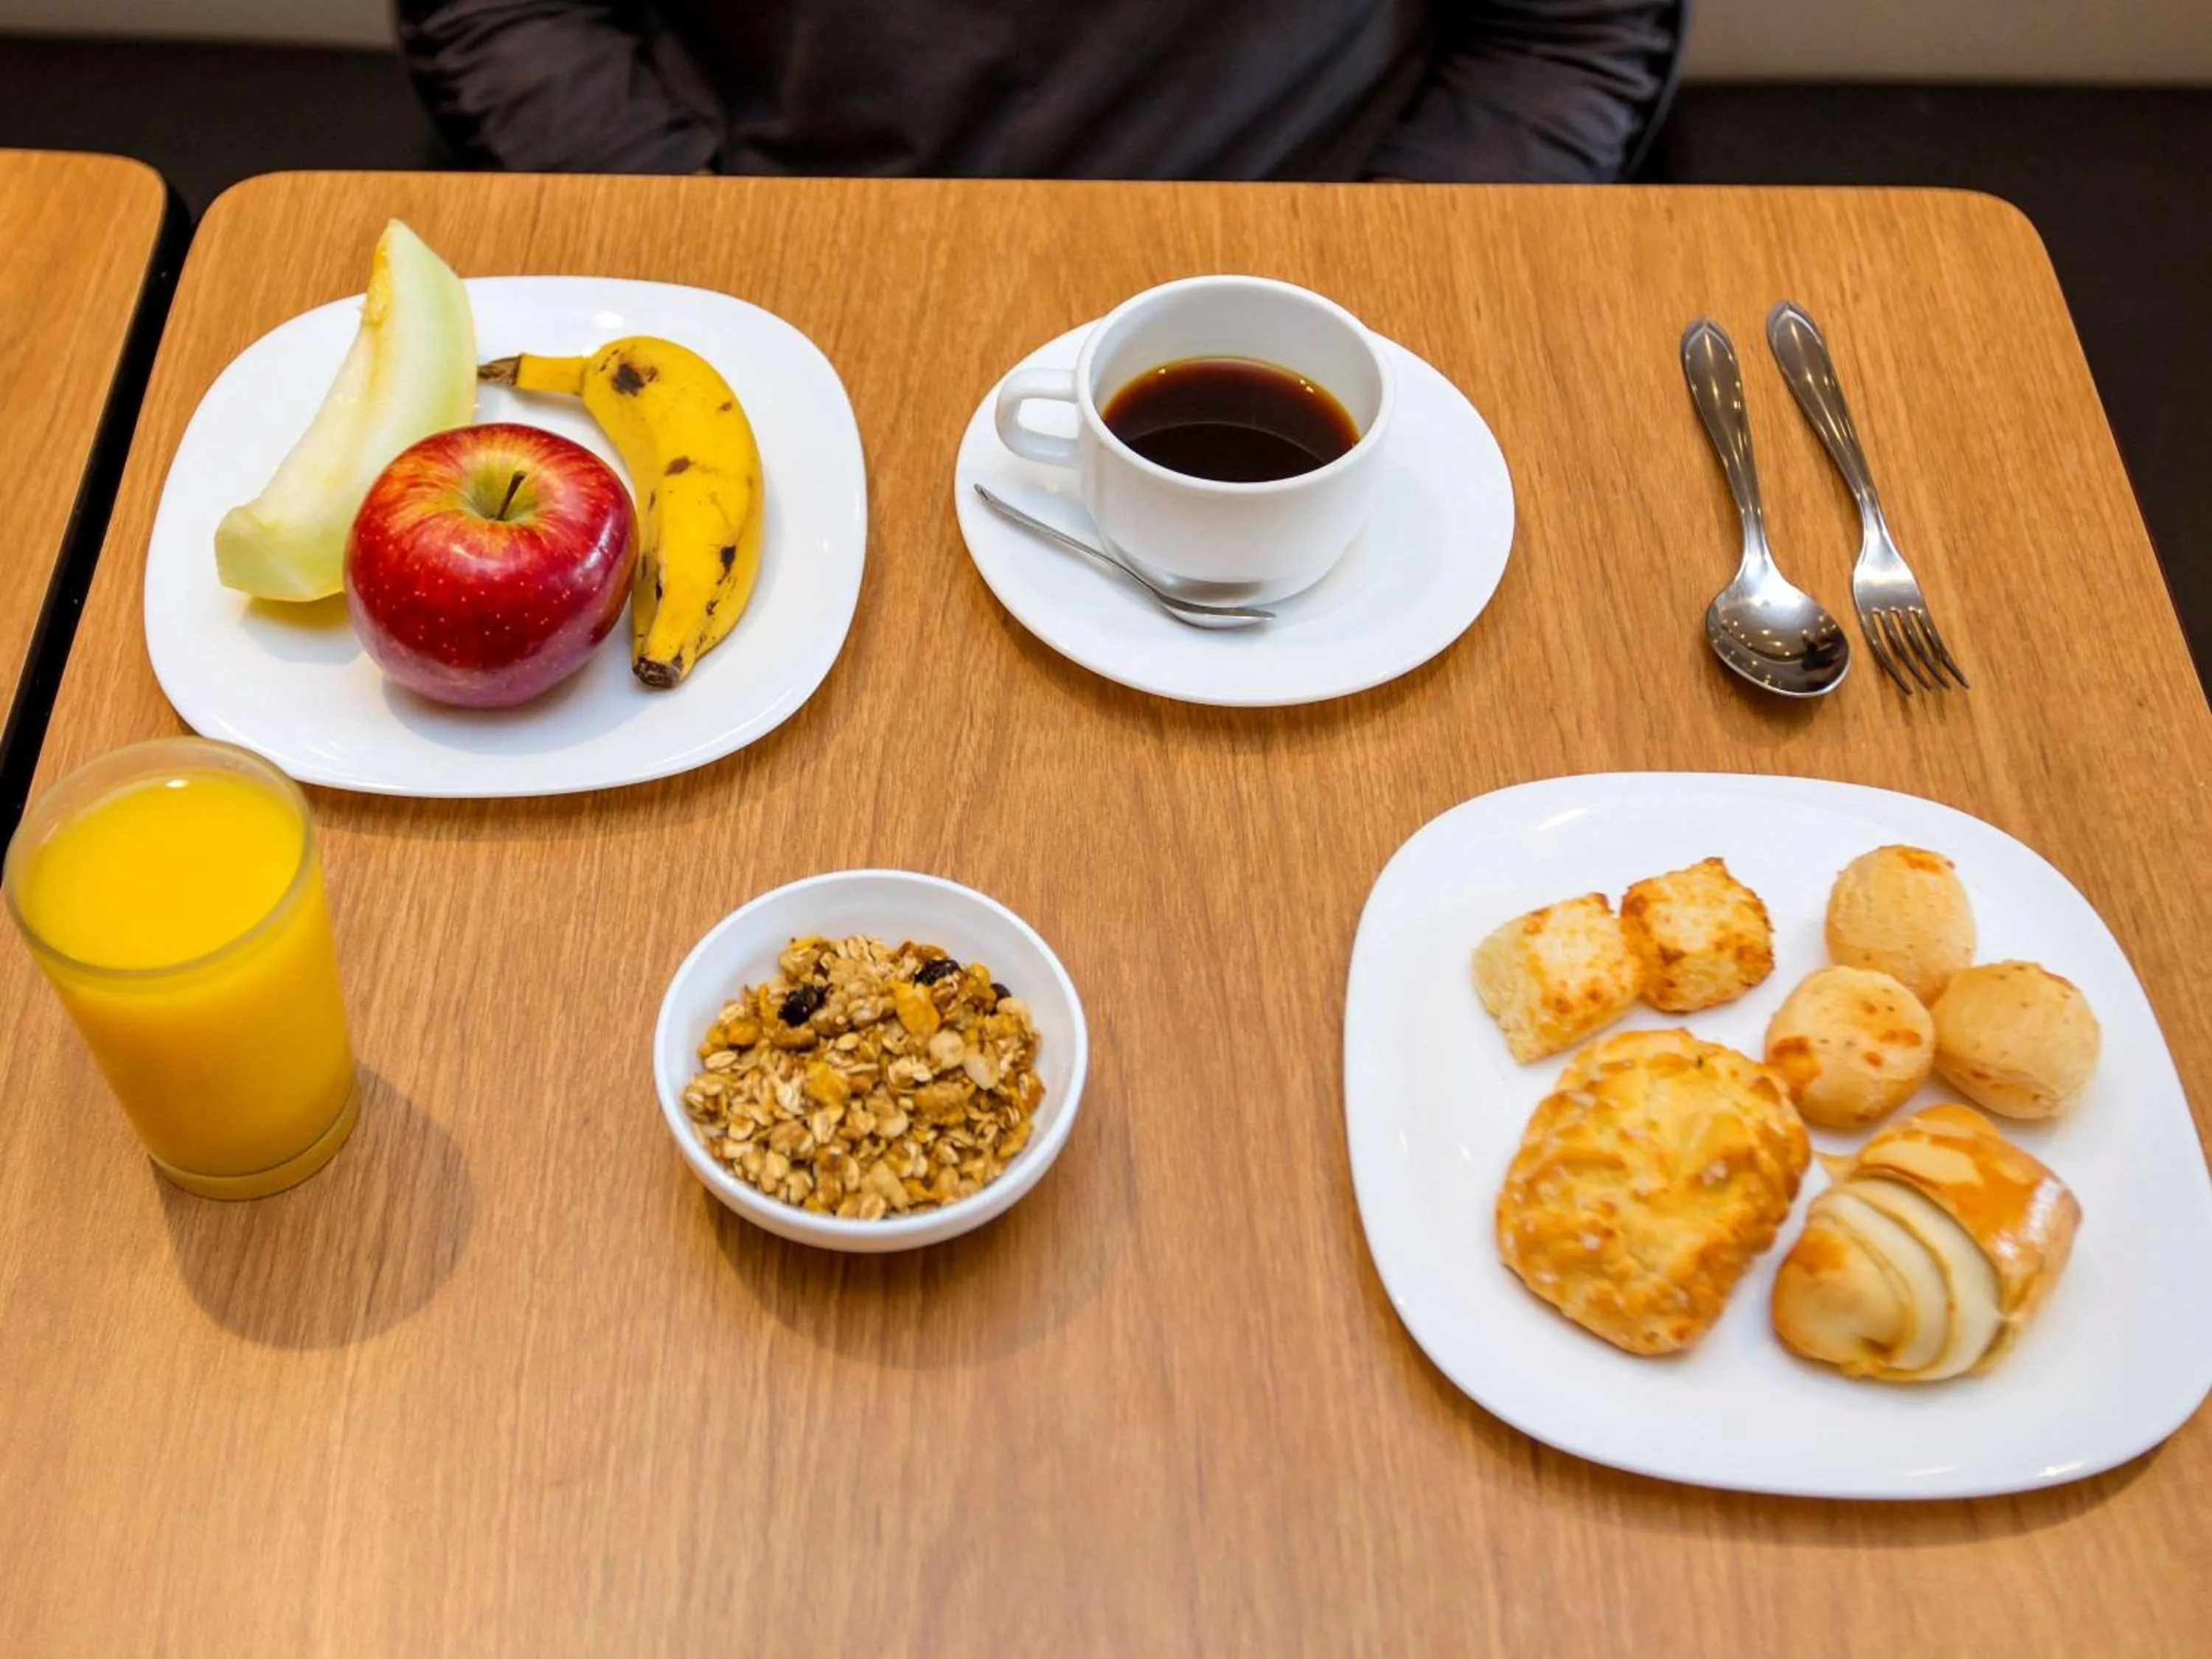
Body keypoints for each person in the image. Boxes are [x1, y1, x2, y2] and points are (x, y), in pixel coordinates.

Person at [398, 1, 1686, 184]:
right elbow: (505, 10)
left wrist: (1375, 289)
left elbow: (1567, 35)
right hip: (757, 234)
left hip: (1315, 251)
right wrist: (718, 240)